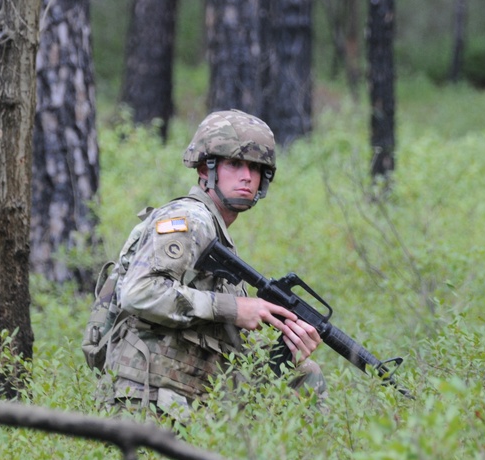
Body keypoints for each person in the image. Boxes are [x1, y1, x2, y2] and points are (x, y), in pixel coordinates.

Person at [97, 109, 325, 417]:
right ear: (206, 168)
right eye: (234, 163)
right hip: (144, 402)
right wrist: (235, 308)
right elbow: (139, 292)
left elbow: (222, 341)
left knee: (304, 374)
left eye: (256, 167)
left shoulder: (215, 233)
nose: (247, 176)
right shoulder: (189, 220)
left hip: (184, 402)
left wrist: (287, 349)